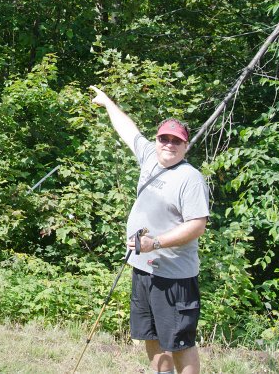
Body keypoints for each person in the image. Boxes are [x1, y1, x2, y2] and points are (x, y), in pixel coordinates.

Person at [91, 85, 209, 374]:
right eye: (163, 138)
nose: (168, 144)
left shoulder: (190, 179)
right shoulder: (149, 158)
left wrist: (154, 242)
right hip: (143, 269)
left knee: (180, 343)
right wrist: (107, 103)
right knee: (151, 336)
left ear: (185, 145)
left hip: (175, 276)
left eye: (175, 141)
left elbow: (197, 226)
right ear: (157, 140)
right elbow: (128, 130)